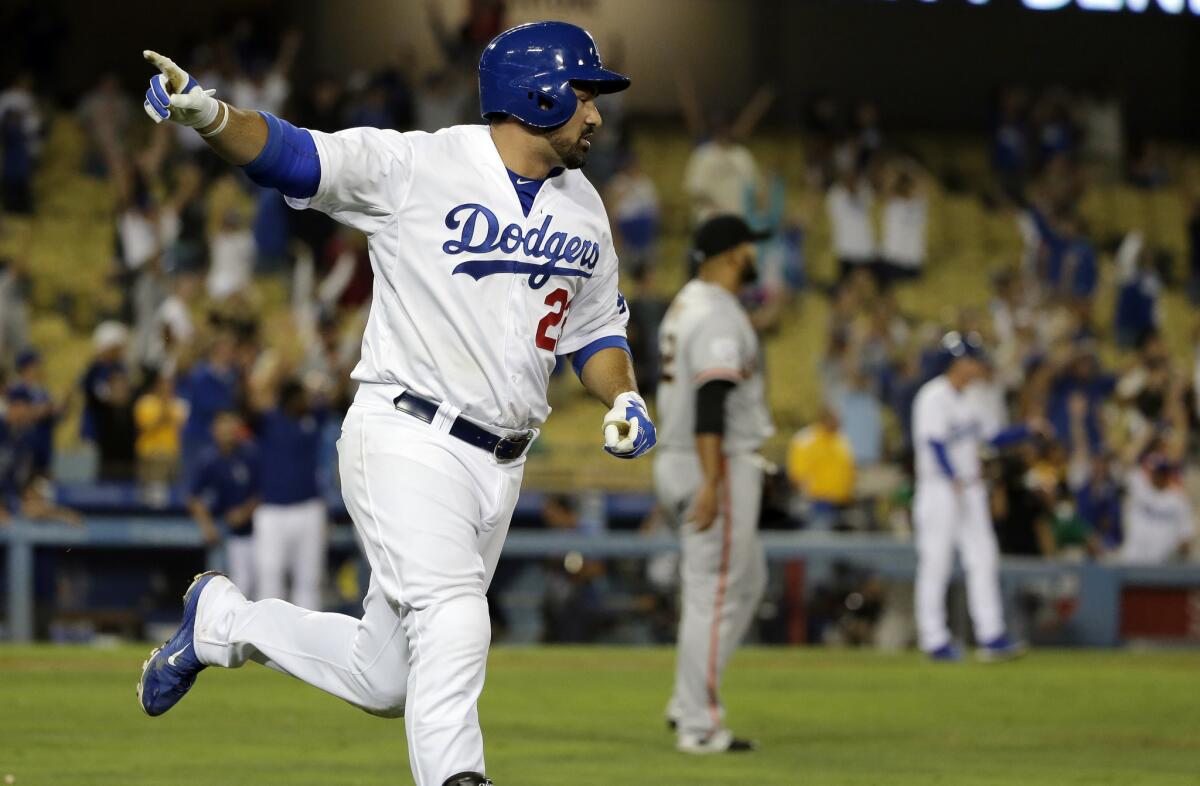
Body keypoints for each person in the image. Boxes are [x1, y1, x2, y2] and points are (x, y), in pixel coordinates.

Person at [136, 22, 655, 786]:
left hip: (502, 467)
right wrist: (210, 115)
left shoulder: (585, 209)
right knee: (455, 616)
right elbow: (297, 153)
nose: (596, 114)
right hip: (408, 434)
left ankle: (223, 623)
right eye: (585, 94)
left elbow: (594, 331)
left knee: (385, 678)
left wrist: (625, 395)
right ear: (538, 93)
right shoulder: (421, 163)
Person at [654, 215, 771, 754]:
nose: (754, 254)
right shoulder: (718, 315)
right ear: (728, 255)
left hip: (684, 457)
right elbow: (711, 402)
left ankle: (687, 702)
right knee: (715, 593)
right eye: (748, 246)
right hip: (710, 460)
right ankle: (699, 725)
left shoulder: (688, 302)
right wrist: (711, 481)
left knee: (744, 582)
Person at [911, 332, 1041, 662]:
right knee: (936, 562)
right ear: (957, 362)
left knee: (983, 557)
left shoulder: (972, 398)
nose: (976, 365)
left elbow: (993, 436)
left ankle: (991, 635)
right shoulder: (933, 396)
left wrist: (1028, 429)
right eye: (971, 359)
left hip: (969, 488)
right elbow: (934, 442)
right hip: (939, 487)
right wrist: (952, 476)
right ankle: (934, 639)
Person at [246, 376, 327, 611]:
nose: (305, 401)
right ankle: (266, 640)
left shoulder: (313, 419)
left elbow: (336, 396)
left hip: (309, 508)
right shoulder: (268, 421)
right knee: (270, 576)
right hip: (272, 510)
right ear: (288, 399)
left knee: (309, 579)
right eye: (300, 397)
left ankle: (310, 640)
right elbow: (249, 407)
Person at [188, 410, 259, 596]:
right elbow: (194, 497)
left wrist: (245, 511)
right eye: (222, 427)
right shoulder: (208, 459)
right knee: (217, 586)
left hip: (252, 530)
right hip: (221, 529)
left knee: (250, 587)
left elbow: (264, 491)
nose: (227, 431)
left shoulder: (250, 454)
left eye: (230, 426)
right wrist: (207, 526)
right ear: (214, 430)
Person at [787, 406, 855, 531]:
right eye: (834, 420)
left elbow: (848, 468)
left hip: (841, 503)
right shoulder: (806, 439)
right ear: (824, 419)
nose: (838, 423)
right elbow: (797, 473)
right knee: (818, 539)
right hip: (816, 503)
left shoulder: (841, 439)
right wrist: (807, 494)